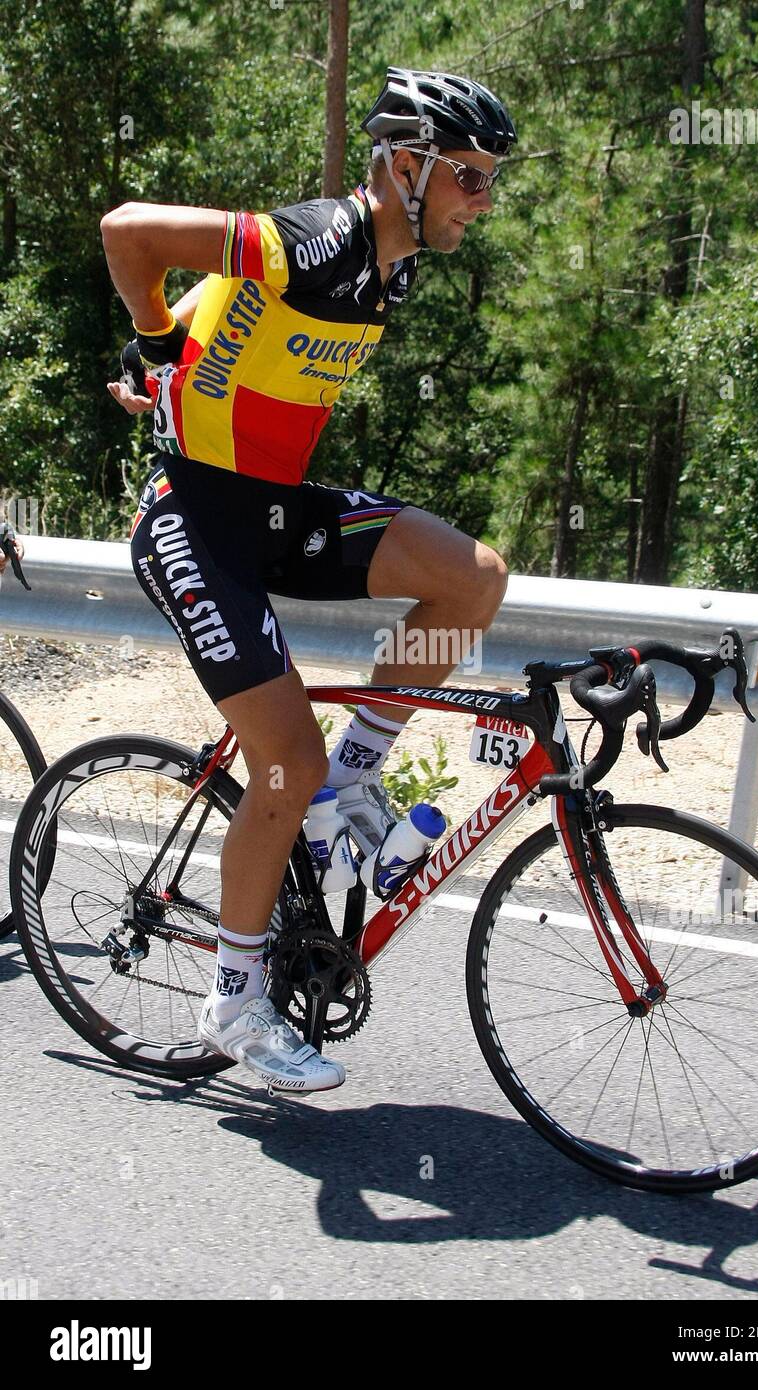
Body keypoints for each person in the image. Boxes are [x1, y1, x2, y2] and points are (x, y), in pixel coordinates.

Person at [101, 67, 517, 1095]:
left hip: (275, 510)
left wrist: (170, 364)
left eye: (492, 181)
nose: (483, 200)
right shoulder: (320, 237)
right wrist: (156, 344)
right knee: (280, 766)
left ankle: (357, 774)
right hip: (195, 522)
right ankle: (235, 1002)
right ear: (405, 167)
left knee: (470, 578)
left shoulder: (393, 271)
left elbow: (235, 320)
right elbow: (127, 231)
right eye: (468, 176)